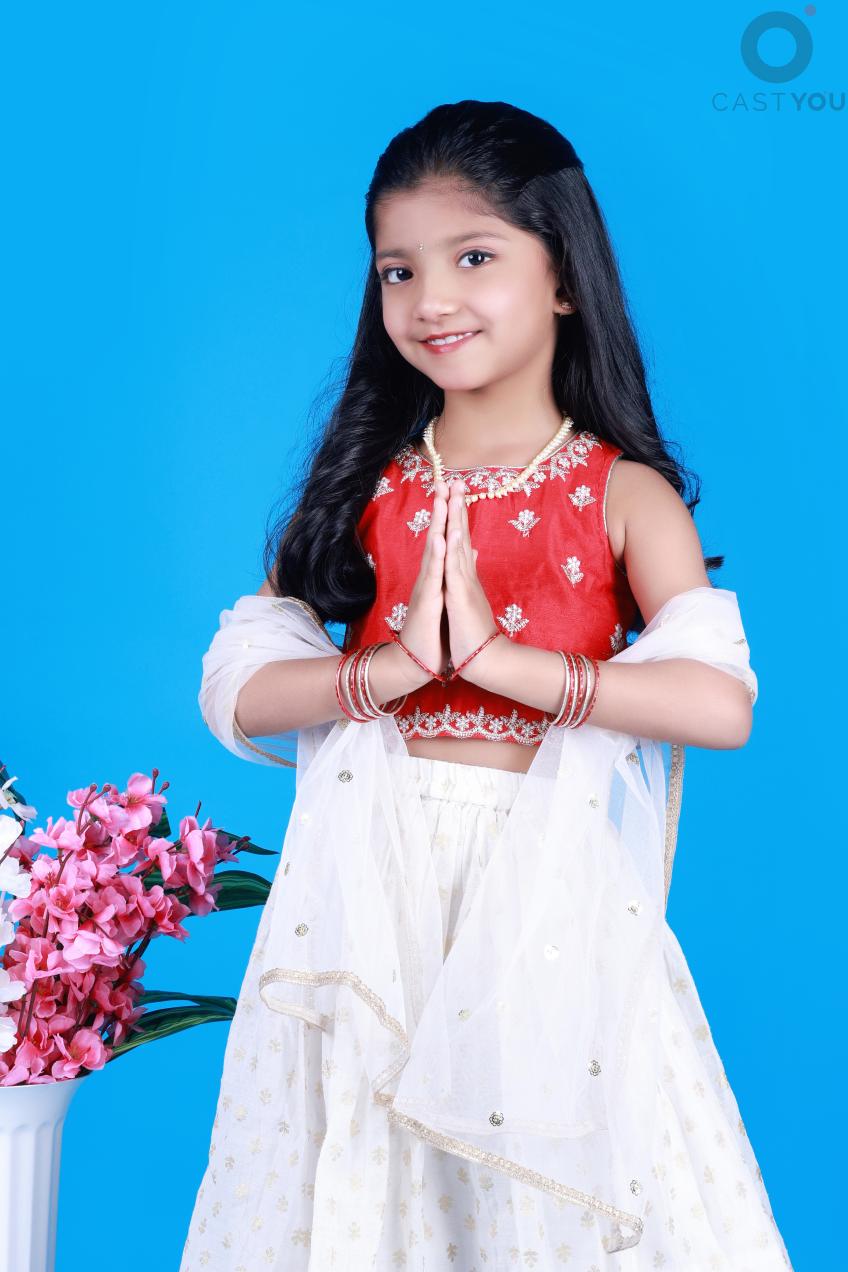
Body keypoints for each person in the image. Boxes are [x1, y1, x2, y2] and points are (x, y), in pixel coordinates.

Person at [179, 100, 793, 1270]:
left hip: (548, 896)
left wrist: (510, 669)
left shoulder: (620, 495)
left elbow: (718, 705)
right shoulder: (363, 488)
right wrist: (386, 672)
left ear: (562, 276)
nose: (430, 300)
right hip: (370, 888)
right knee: (371, 1167)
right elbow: (240, 691)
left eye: (473, 258)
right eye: (397, 270)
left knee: (546, 1185)